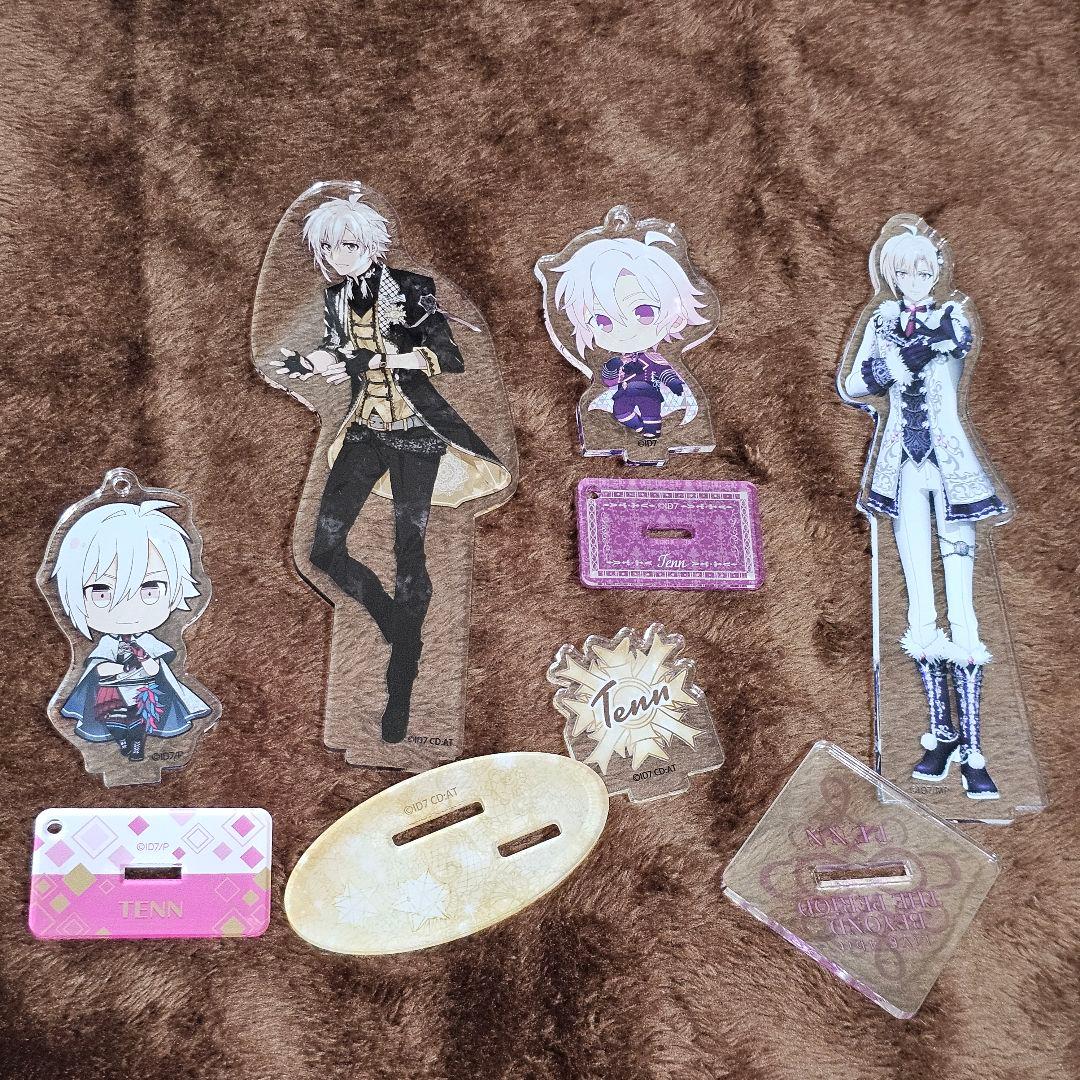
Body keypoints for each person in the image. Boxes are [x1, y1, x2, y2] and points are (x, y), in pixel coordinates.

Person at [277, 193, 510, 742]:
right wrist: (308, 363)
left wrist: (382, 358)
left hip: (415, 434)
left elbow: (448, 356)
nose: (337, 256)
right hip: (363, 428)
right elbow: (338, 350)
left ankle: (401, 687)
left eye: (348, 244)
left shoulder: (410, 287)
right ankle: (394, 622)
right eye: (328, 247)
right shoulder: (336, 296)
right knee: (323, 549)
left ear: (373, 244)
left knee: (411, 552)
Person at [843, 224, 1007, 800]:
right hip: (903, 468)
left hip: (951, 466)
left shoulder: (952, 319)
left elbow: (959, 353)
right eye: (903, 271)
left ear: (936, 270)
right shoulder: (882, 321)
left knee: (962, 601)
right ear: (890, 275)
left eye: (923, 269)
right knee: (918, 595)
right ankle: (942, 735)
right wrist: (891, 364)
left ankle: (975, 751)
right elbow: (854, 384)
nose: (914, 279)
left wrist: (929, 346)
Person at [54, 500, 211, 762]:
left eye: (150, 589)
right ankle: (125, 742)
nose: (126, 608)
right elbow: (99, 667)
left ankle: (136, 743)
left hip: (144, 693)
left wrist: (146, 662)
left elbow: (155, 668)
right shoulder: (108, 643)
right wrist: (116, 668)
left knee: (140, 720)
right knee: (113, 721)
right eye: (101, 592)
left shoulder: (148, 641)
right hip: (112, 692)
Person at [552, 233, 708, 444]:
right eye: (602, 320)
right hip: (624, 394)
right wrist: (613, 366)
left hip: (650, 393)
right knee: (621, 413)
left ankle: (652, 432)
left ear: (677, 317)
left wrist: (674, 384)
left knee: (652, 414)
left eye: (644, 312)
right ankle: (641, 428)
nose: (624, 330)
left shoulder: (653, 358)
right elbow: (608, 380)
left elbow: (664, 372)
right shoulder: (619, 361)